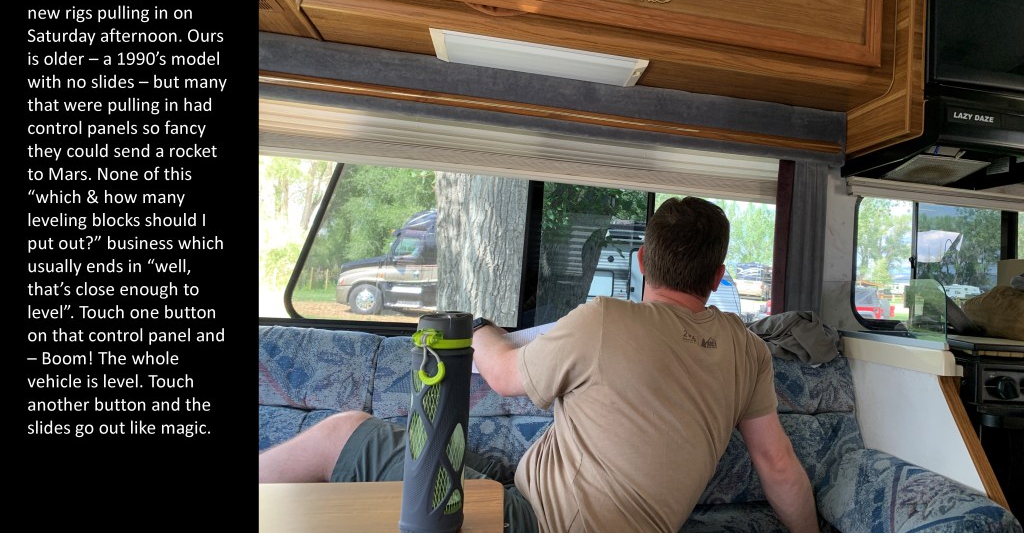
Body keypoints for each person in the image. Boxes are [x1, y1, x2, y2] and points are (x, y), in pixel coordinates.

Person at [259, 196, 819, 533]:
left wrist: (479, 326)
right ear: (717, 277)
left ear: (643, 261)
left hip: (535, 522)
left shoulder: (606, 319)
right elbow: (778, 466)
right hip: (531, 493)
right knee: (443, 450)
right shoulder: (748, 348)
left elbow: (503, 375)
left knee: (341, 433)